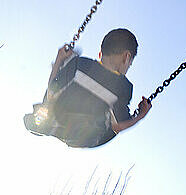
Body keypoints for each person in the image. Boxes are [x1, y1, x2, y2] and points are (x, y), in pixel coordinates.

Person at [23, 28, 152, 148]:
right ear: (126, 57)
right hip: (89, 136)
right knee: (111, 126)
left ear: (101, 54)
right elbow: (117, 125)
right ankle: (56, 122)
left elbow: (52, 90)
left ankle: (48, 120)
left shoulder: (81, 63)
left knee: (54, 95)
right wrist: (140, 115)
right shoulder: (123, 87)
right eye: (130, 64)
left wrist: (59, 59)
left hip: (60, 119)